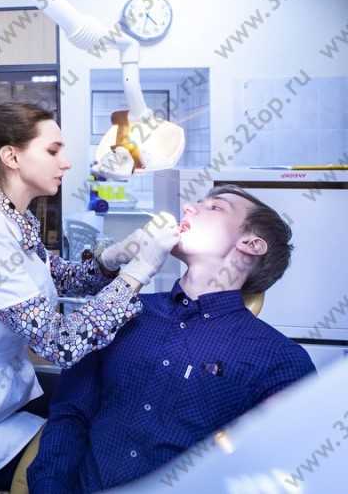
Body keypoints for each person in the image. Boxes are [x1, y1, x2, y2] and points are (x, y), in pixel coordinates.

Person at [0, 102, 180, 490]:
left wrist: (113, 259)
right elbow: (60, 344)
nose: (66, 163)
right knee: (81, 456)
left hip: (0, 393)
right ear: (12, 156)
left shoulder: (16, 217)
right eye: (53, 151)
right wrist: (137, 274)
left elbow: (57, 277)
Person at [27, 184, 317, 493]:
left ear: (251, 244)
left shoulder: (281, 361)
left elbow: (281, 469)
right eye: (197, 203)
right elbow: (70, 416)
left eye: (215, 207)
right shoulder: (119, 314)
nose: (189, 208)